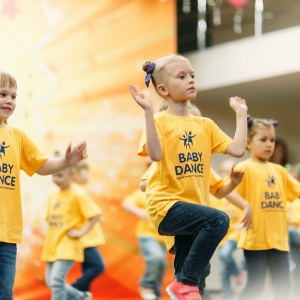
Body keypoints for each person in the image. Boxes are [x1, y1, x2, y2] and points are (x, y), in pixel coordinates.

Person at [129, 53, 248, 300]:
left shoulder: (205, 124)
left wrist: (240, 114)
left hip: (194, 210)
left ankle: (183, 285)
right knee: (218, 221)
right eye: (182, 76)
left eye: (192, 75)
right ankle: (182, 283)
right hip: (167, 206)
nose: (191, 80)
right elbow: (154, 153)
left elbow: (237, 150)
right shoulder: (161, 120)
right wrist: (148, 113)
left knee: (197, 281)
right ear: (163, 88)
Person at [0, 70, 87, 300]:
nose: (9, 100)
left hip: (7, 234)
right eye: (3, 94)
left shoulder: (16, 137)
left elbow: (41, 165)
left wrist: (67, 161)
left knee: (4, 292)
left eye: (13, 96)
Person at [233, 117, 300, 300]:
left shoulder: (280, 171)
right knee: (255, 284)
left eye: (272, 140)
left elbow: (297, 192)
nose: (269, 144)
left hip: (278, 240)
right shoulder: (244, 168)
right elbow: (230, 192)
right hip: (255, 239)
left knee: (283, 285)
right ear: (248, 142)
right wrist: (244, 208)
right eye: (263, 140)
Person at [41, 161, 101, 300]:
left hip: (68, 244)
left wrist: (81, 232)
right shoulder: (52, 196)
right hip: (52, 245)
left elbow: (95, 214)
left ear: (72, 175)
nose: (56, 179)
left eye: (60, 175)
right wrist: (46, 232)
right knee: (51, 282)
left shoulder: (78, 194)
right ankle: (81, 296)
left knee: (56, 281)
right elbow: (47, 218)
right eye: (54, 175)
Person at [122, 160, 167, 300]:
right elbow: (126, 203)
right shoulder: (144, 192)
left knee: (161, 265)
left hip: (163, 237)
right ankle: (146, 283)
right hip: (146, 235)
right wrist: (139, 212)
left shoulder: (165, 192)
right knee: (156, 258)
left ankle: (155, 294)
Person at [209, 159, 247, 300]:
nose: (227, 175)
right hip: (222, 234)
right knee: (224, 269)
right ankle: (226, 296)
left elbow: (247, 206)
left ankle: (239, 275)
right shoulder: (217, 192)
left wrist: (243, 223)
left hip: (236, 233)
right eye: (225, 172)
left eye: (230, 171)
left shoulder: (240, 190)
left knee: (226, 254)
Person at [70, 161, 106, 292]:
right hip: (85, 239)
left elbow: (85, 211)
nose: (88, 176)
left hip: (85, 238)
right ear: (75, 173)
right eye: (85, 172)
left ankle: (81, 294)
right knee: (98, 266)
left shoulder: (77, 191)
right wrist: (81, 232)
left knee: (87, 269)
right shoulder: (78, 191)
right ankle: (73, 289)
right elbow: (94, 214)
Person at [285, 163, 300, 299]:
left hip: (296, 231)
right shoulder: (286, 200)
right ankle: (296, 293)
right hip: (290, 236)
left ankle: (288, 261)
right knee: (298, 265)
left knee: (288, 231)